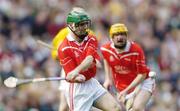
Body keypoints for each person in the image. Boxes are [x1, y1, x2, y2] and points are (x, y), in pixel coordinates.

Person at [57, 9, 122, 111]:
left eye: (85, 24)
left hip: (92, 84)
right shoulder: (64, 48)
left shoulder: (91, 38)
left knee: (115, 108)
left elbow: (89, 59)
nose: (84, 28)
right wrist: (77, 77)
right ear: (71, 25)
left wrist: (76, 71)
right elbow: (72, 77)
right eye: (81, 25)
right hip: (78, 90)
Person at [51, 7, 102, 111]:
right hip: (69, 68)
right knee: (64, 105)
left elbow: (93, 54)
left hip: (84, 69)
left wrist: (96, 61)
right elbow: (55, 53)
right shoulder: (63, 33)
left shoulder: (90, 34)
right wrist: (59, 54)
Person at [101, 23, 156, 111]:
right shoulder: (105, 49)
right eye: (116, 35)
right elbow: (106, 59)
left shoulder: (136, 50)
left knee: (137, 107)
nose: (120, 38)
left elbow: (142, 74)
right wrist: (108, 78)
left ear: (126, 36)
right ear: (111, 37)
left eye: (122, 34)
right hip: (123, 86)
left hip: (143, 82)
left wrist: (127, 90)